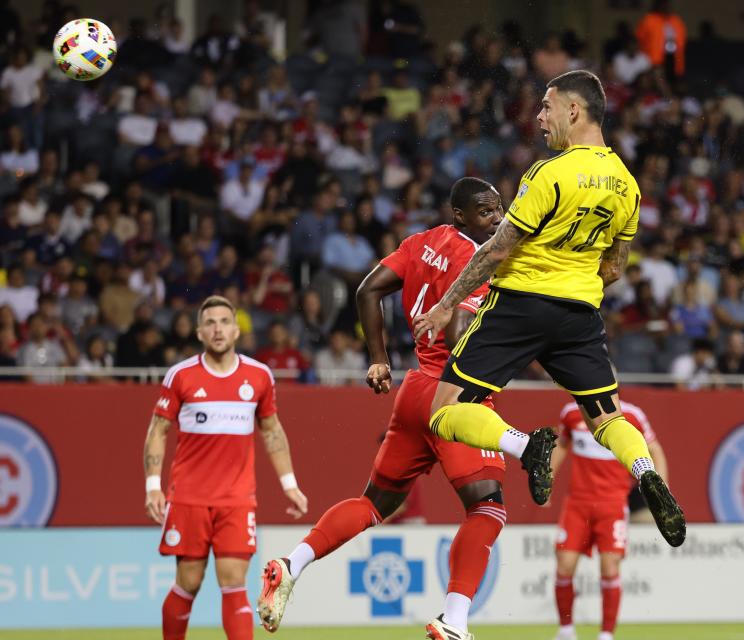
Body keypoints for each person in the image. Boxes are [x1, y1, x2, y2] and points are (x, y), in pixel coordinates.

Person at [413, 71, 684, 561]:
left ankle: (523, 446)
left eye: (546, 107)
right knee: (606, 417)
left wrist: (446, 303)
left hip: (520, 305)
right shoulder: (627, 186)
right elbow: (615, 267)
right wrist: (574, 280)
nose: (539, 118)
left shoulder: (547, 173)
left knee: (445, 412)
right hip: (580, 312)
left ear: (574, 112)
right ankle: (645, 473)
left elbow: (496, 251)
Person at [257, 178, 509, 640]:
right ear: (460, 214)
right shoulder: (477, 259)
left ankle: (290, 564)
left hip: (413, 389)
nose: (497, 218)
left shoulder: (420, 243)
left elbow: (367, 291)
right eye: (486, 211)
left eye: (499, 208)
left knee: (374, 504)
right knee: (488, 508)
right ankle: (454, 621)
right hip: (455, 395)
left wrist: (378, 357)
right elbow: (457, 334)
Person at [143, 295, 308, 640]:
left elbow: (272, 431)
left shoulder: (259, 376)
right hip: (189, 497)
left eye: (224, 322)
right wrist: (153, 487)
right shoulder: (181, 376)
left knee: (234, 583)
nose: (217, 329)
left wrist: (289, 484)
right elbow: (157, 431)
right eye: (210, 323)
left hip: (237, 499)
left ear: (236, 331)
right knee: (188, 583)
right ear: (199, 333)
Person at [551, 401, 667, 640]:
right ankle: (566, 631)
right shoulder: (571, 412)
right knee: (564, 565)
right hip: (577, 503)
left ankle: (606, 634)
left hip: (613, 503)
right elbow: (561, 444)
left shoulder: (633, 415)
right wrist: (547, 479)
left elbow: (655, 449)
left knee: (610, 567)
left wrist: (661, 490)